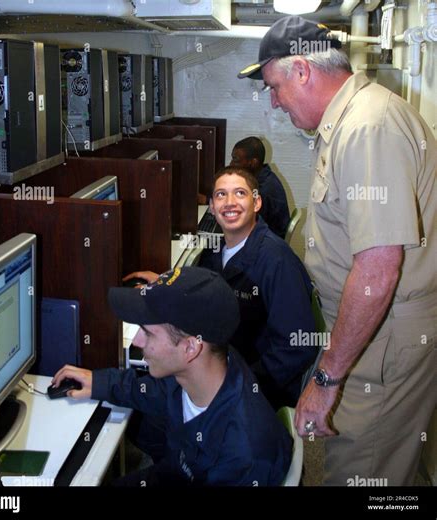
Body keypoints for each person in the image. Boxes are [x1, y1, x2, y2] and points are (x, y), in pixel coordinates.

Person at [238, 15, 436, 486]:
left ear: (302, 70)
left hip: (384, 337)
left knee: (362, 470)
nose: (273, 101)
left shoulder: (369, 128)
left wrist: (326, 381)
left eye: (274, 87)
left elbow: (378, 271)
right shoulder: (350, 121)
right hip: (372, 329)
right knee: (385, 460)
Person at [52, 266, 293, 486]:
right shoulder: (211, 366)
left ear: (190, 348)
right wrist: (100, 383)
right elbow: (155, 390)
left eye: (147, 332)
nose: (137, 340)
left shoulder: (244, 454)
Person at [126, 167, 317, 411]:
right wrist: (167, 282)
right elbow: (210, 286)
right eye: (221, 195)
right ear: (212, 207)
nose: (230, 203)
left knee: (145, 406)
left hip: (250, 387)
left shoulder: (277, 262)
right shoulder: (221, 248)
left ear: (257, 202)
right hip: (226, 361)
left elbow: (298, 347)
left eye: (240, 193)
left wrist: (236, 386)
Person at [230, 136, 290, 239]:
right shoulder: (264, 177)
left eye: (236, 160)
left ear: (253, 163)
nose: (231, 164)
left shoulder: (263, 191)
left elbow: (247, 227)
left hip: (266, 245)